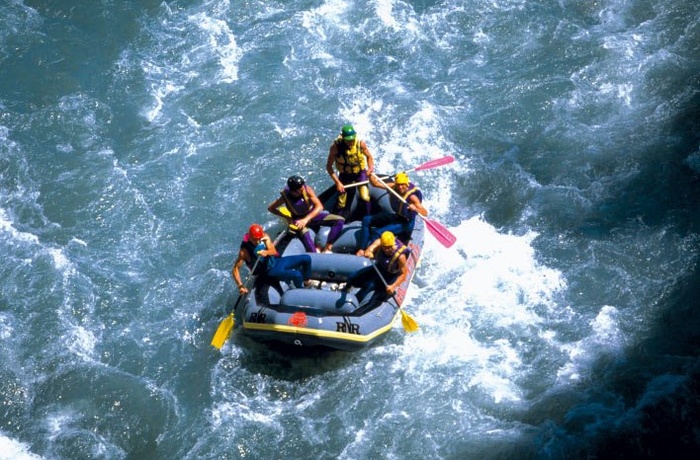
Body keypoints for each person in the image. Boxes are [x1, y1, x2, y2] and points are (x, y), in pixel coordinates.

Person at [356, 171, 427, 256]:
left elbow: (425, 212)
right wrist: (370, 175)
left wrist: (415, 208)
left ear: (407, 184)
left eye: (402, 185)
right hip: (396, 217)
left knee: (378, 233)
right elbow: (375, 184)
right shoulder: (393, 187)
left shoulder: (412, 197)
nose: (400, 187)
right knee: (366, 220)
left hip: (405, 223)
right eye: (398, 184)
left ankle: (370, 253)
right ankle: (362, 248)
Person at [267, 175, 345, 253]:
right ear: (293, 191)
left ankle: (328, 247)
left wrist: (306, 219)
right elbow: (271, 208)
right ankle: (315, 253)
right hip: (298, 220)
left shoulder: (307, 189)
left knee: (340, 220)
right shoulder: (285, 197)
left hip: (312, 216)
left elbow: (320, 206)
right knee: (305, 233)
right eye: (300, 189)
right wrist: (287, 217)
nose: (303, 189)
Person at [232, 223, 313, 293]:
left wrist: (266, 252)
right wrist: (240, 285)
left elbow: (273, 251)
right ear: (250, 238)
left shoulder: (264, 237)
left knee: (306, 258)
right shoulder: (244, 251)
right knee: (297, 275)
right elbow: (235, 269)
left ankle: (306, 282)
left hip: (276, 262)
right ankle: (301, 292)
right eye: (254, 240)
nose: (257, 242)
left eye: (258, 239)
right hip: (267, 272)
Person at [345, 231, 410, 306]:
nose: (387, 250)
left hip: (390, 275)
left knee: (369, 286)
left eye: (389, 247)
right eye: (385, 247)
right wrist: (369, 252)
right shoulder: (379, 242)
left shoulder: (401, 256)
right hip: (379, 268)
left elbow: (404, 274)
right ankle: (346, 289)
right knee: (351, 277)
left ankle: (354, 304)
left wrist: (393, 286)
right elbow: (370, 249)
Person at [325, 123, 375, 220]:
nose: (351, 143)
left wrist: (370, 168)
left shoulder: (360, 144)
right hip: (345, 174)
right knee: (341, 200)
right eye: (348, 141)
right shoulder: (335, 147)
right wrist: (338, 183)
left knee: (365, 196)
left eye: (352, 140)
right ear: (343, 137)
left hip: (360, 173)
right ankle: (339, 219)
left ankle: (368, 217)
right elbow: (329, 167)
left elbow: (369, 157)